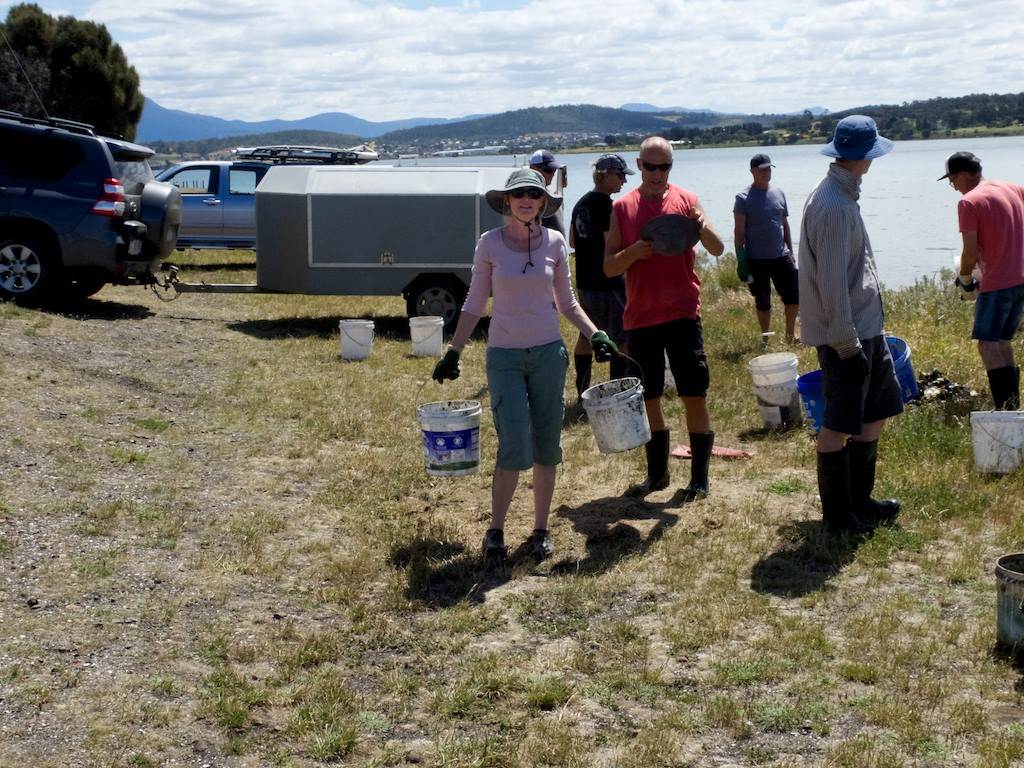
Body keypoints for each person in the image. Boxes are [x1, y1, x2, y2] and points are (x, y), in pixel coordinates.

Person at [432, 168, 618, 561]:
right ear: (507, 201)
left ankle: (540, 530)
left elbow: (567, 302)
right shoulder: (489, 244)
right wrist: (454, 350)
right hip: (505, 357)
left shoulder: (555, 242)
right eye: (519, 194)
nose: (526, 200)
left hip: (549, 354)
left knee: (547, 446)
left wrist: (595, 333)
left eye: (534, 194)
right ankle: (495, 531)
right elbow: (474, 302)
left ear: (543, 203)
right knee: (514, 444)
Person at [603, 136, 724, 500]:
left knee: (693, 393)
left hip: (683, 314)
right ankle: (657, 476)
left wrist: (702, 226)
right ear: (639, 165)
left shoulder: (687, 200)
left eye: (665, 167)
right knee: (649, 397)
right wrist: (633, 253)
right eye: (651, 167)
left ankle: (699, 480)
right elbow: (609, 267)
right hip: (641, 318)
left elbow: (718, 248)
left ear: (671, 166)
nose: (657, 174)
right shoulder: (623, 207)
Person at [799, 115, 902, 533]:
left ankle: (860, 502)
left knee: (876, 412)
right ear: (864, 157)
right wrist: (847, 345)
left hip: (866, 328)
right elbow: (831, 286)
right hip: (848, 335)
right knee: (838, 425)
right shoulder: (834, 206)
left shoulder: (842, 193)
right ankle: (839, 517)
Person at [940, 150, 1024, 410]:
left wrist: (965, 276)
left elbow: (970, 250)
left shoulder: (969, 202)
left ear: (964, 175)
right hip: (1020, 279)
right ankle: (1014, 409)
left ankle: (1004, 412)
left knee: (988, 345)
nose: (954, 186)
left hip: (997, 283)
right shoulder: (1014, 189)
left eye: (952, 180)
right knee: (1002, 342)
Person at [569, 153, 634, 402]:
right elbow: (611, 243)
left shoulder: (581, 203)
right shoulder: (607, 205)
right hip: (608, 283)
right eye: (620, 175)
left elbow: (573, 241)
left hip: (586, 282)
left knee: (586, 335)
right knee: (622, 338)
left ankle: (582, 390)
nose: (624, 181)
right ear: (604, 175)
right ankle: (617, 392)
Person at [734, 153, 799, 343]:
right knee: (763, 301)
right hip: (756, 259)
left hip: (781, 255)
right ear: (752, 171)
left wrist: (791, 252)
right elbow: (739, 231)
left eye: (769, 169)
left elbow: (785, 225)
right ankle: (765, 340)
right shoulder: (743, 198)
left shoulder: (779, 193)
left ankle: (790, 336)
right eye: (762, 170)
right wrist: (741, 260)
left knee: (794, 295)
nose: (766, 173)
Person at [529, 149, 566, 233]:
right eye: (549, 170)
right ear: (533, 168)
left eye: (554, 170)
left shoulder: (552, 195)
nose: (553, 174)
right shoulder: (528, 198)